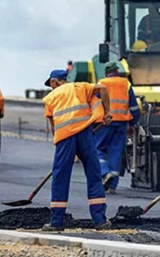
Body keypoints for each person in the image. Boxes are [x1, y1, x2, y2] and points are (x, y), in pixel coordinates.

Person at [41, 69, 113, 231]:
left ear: (54, 82)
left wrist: (61, 148)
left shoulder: (50, 98)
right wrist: (107, 112)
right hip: (85, 134)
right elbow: (103, 89)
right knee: (94, 174)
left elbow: (54, 127)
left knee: (60, 176)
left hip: (65, 138)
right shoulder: (80, 87)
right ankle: (100, 220)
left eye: (51, 85)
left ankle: (56, 222)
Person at [94, 61, 140, 194]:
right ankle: (112, 186)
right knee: (116, 152)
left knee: (97, 148)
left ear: (106, 73)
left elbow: (95, 104)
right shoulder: (126, 83)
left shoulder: (101, 83)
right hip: (121, 123)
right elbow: (134, 107)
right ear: (117, 71)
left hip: (104, 122)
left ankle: (104, 172)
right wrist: (133, 123)